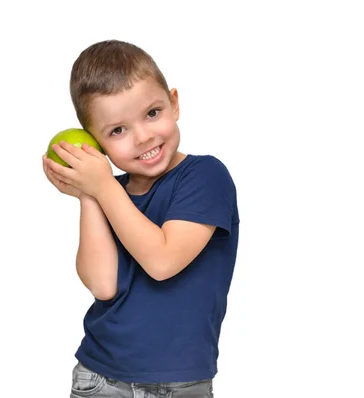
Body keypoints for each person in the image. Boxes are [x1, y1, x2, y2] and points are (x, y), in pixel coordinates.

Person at [42, 39, 240, 397]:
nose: (143, 136)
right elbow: (103, 285)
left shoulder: (206, 176)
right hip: (99, 377)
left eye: (152, 113)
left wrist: (102, 187)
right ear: (96, 143)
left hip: (180, 382)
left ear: (174, 103)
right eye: (117, 130)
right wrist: (89, 193)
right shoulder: (107, 192)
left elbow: (162, 261)